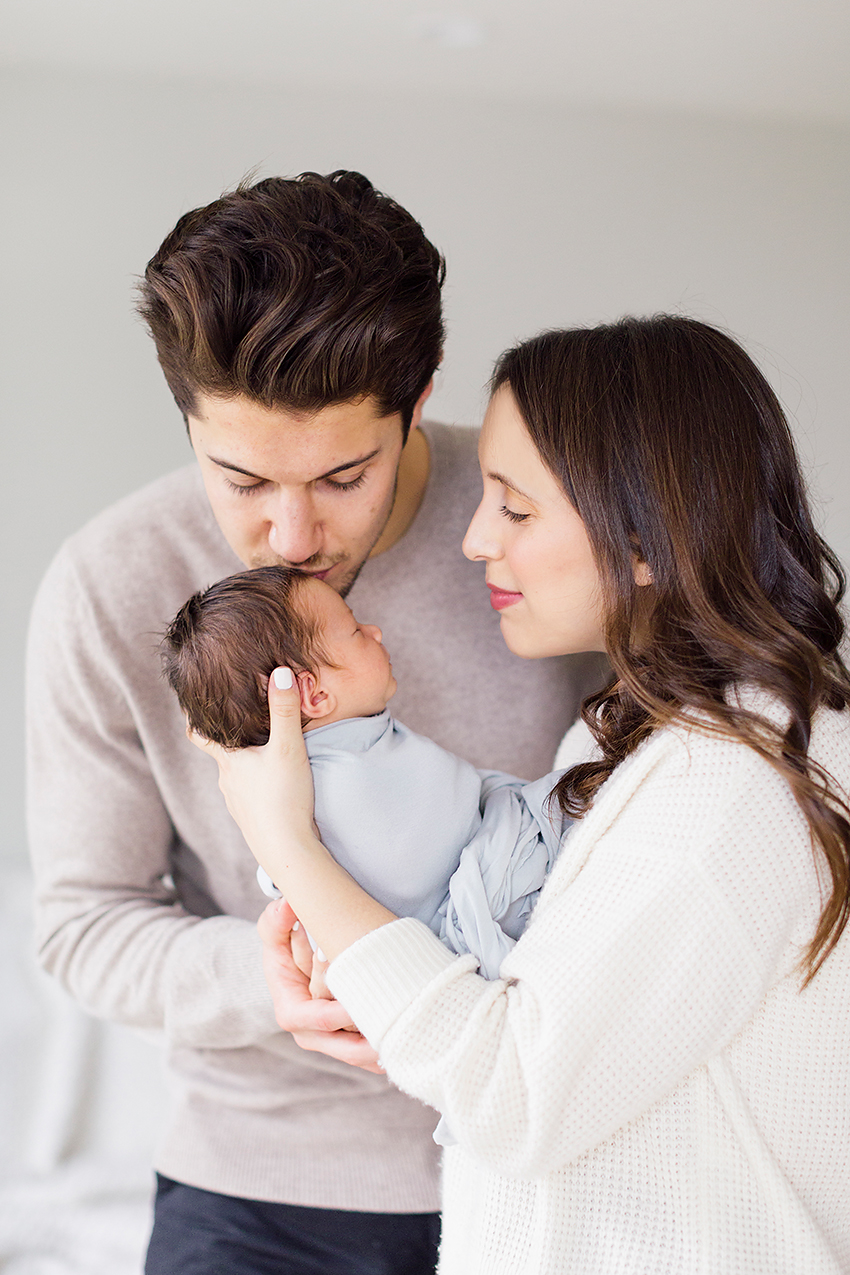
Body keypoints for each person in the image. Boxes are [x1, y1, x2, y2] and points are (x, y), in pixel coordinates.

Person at [26, 171, 605, 1275]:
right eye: (239, 477)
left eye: (344, 475)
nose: (289, 533)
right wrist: (275, 980)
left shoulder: (547, 527)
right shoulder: (108, 585)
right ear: (184, 418)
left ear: (418, 393)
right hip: (259, 1195)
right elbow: (83, 928)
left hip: (553, 1169)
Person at [196, 315, 850, 1274]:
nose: (472, 538)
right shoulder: (638, 731)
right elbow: (544, 1038)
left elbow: (510, 1094)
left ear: (644, 535)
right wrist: (390, 986)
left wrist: (286, 841)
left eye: (513, 506)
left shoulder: (723, 790)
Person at [161, 565, 565, 990]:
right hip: (470, 913)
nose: (375, 631)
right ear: (314, 694)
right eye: (355, 630)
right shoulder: (323, 792)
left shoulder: (347, 747)